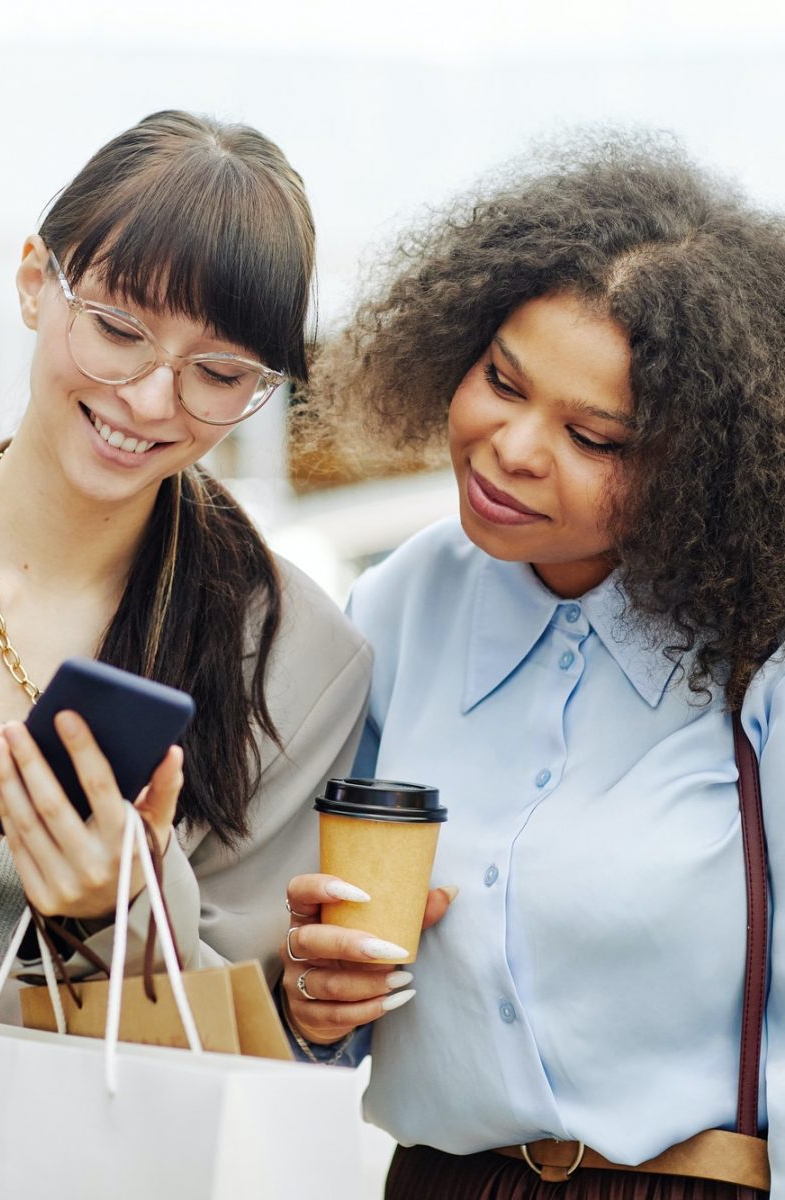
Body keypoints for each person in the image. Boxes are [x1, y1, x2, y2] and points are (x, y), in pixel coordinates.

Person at [0, 110, 371, 1199]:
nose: (150, 399)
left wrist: (120, 915)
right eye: (116, 327)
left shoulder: (297, 656)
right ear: (31, 283)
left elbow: (254, 1056)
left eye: (218, 372)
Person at [280, 134, 785, 1198]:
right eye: (500, 381)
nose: (513, 446)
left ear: (701, 471)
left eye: (594, 436)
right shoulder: (396, 607)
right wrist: (317, 1001)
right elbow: (330, 972)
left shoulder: (760, 659)